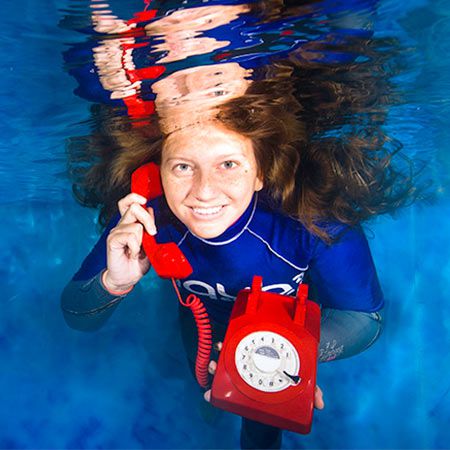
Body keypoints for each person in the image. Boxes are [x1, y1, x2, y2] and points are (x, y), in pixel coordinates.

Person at [60, 61, 409, 447]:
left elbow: (364, 318)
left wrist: (297, 356)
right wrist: (115, 283)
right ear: (157, 173)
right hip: (201, 326)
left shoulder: (314, 220)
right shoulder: (146, 218)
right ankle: (209, 402)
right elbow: (78, 316)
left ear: (261, 171)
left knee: (260, 431)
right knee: (206, 387)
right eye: (182, 167)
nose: (204, 192)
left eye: (228, 164)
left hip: (278, 351)